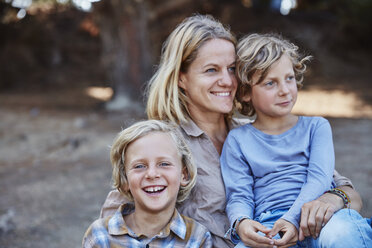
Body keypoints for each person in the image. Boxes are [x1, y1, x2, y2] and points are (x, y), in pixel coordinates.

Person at [99, 14, 365, 247]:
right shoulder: (161, 143)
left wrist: (332, 199)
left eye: (232, 69)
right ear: (181, 78)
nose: (227, 81)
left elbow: (349, 193)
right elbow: (113, 222)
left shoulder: (257, 132)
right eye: (211, 70)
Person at [221, 33, 372, 248]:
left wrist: (292, 219)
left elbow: (319, 178)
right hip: (270, 226)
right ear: (245, 92)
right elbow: (239, 194)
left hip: (321, 217)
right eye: (270, 83)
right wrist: (241, 222)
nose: (284, 90)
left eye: (289, 78)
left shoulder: (316, 127)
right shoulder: (238, 140)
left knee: (344, 234)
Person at [83, 120, 212, 247]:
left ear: (183, 175)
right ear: (125, 179)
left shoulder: (196, 238)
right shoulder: (100, 236)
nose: (151, 174)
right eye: (139, 166)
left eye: (164, 164)